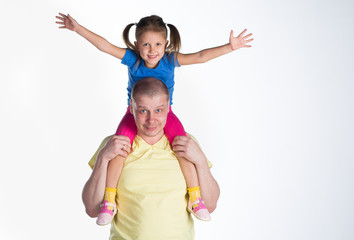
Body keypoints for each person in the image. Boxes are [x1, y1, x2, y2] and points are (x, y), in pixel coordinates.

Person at [56, 13, 252, 224]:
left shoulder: (170, 60)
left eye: (158, 44)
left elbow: (201, 56)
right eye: (146, 44)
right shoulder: (133, 60)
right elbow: (104, 46)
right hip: (134, 114)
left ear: (166, 43)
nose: (152, 50)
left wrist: (229, 47)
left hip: (165, 115)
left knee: (182, 147)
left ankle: (195, 198)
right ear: (136, 44)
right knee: (119, 150)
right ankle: (109, 201)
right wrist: (78, 28)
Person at [82, 77, 220, 239]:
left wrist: (201, 161)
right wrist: (103, 158)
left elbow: (210, 205)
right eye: (143, 111)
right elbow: (92, 209)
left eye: (158, 110)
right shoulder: (114, 145)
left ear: (168, 107)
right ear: (132, 108)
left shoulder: (186, 144)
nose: (151, 120)